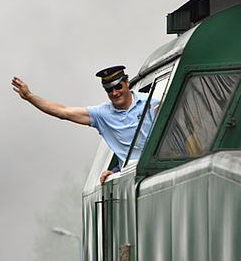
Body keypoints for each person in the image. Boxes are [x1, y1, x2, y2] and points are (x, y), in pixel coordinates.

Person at [11, 66, 159, 184]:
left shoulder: (152, 101)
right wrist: (30, 97)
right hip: (133, 178)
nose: (114, 93)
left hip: (157, 169)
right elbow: (63, 112)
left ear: (127, 83)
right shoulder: (102, 114)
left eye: (118, 87)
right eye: (109, 89)